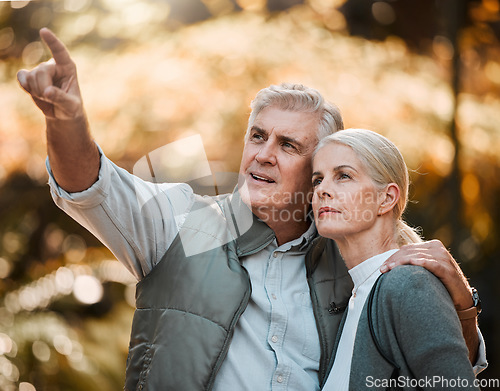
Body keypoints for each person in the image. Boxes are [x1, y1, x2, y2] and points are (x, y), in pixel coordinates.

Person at [17, 28, 485, 390]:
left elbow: (444, 365)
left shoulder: (348, 258)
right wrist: (68, 120)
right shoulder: (191, 224)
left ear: (316, 169)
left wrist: (463, 306)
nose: (263, 154)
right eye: (258, 136)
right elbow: (91, 185)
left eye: (288, 145)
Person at [312, 129, 480, 390]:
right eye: (317, 180)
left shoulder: (408, 285)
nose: (322, 189)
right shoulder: (358, 295)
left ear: (387, 198)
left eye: (343, 176)